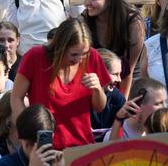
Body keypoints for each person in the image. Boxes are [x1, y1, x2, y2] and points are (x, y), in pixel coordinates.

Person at [11, 18, 111, 149]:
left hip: (81, 144)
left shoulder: (93, 57)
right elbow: (16, 97)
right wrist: (28, 131)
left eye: (84, 53)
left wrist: (97, 89)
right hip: (45, 145)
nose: (80, 59)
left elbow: (100, 108)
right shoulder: (36, 56)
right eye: (74, 54)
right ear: (60, 47)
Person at [82, 0, 145, 95]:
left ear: (110, 1)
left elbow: (128, 70)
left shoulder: (133, 22)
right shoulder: (85, 19)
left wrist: (122, 104)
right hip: (98, 79)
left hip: (126, 78)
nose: (87, 3)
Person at [0, 105, 65, 166]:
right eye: (32, 143)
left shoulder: (53, 163)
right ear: (21, 139)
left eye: (42, 142)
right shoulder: (4, 165)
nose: (36, 150)